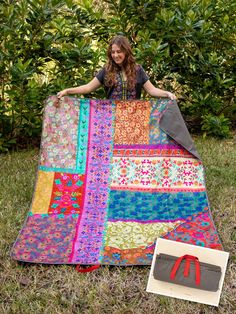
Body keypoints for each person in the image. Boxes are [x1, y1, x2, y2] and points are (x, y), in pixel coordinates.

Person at [57, 35, 176, 100]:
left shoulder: (138, 70)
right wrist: (68, 91)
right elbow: (88, 87)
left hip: (134, 117)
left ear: (126, 51)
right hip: (112, 116)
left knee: (131, 145)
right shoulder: (106, 70)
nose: (115, 55)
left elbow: (151, 90)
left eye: (119, 52)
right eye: (113, 52)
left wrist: (167, 94)